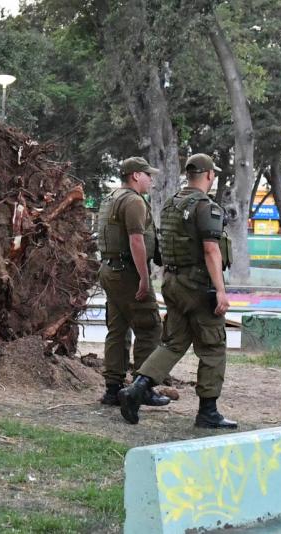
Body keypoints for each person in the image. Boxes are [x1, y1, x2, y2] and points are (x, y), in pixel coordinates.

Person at [118, 153, 236, 429]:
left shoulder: (171, 204)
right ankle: (208, 411)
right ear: (208, 175)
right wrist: (220, 290)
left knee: (173, 343)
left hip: (173, 282)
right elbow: (210, 249)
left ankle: (137, 389)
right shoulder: (206, 207)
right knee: (212, 345)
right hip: (198, 286)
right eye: (213, 174)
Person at [97, 157, 170, 408]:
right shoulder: (133, 201)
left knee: (117, 329)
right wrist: (143, 278)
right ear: (136, 176)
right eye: (148, 175)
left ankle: (113, 388)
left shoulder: (111, 198)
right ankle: (143, 386)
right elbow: (136, 240)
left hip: (109, 269)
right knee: (149, 327)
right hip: (128, 273)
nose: (151, 179)